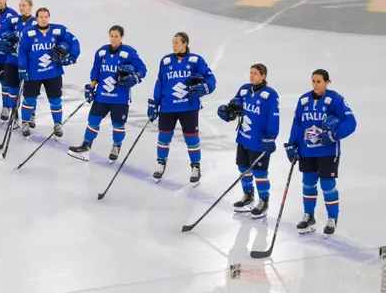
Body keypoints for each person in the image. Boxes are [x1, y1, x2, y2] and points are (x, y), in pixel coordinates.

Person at [284, 69, 356, 236]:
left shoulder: (335, 99)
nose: (316, 85)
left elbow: (351, 122)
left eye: (319, 81)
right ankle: (309, 216)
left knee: (327, 185)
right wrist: (292, 144)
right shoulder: (303, 100)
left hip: (327, 151)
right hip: (307, 150)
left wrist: (334, 134)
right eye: (313, 81)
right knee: (308, 183)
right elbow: (297, 123)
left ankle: (332, 218)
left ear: (326, 82)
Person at [68, 25, 147, 162]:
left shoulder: (129, 52)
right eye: (111, 36)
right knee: (93, 120)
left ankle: (116, 146)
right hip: (102, 96)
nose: (113, 39)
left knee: (118, 125)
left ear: (121, 37)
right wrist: (91, 87)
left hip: (120, 98)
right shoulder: (102, 52)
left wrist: (136, 76)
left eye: (116, 36)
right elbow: (96, 71)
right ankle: (86, 146)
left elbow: (142, 68)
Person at [147, 32, 216, 186]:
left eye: (177, 42)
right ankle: (161, 163)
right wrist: (155, 103)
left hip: (188, 107)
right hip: (167, 107)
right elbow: (160, 83)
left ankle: (195, 167)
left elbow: (211, 79)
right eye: (173, 42)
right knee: (163, 137)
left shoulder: (196, 60)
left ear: (185, 43)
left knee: (191, 138)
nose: (174, 45)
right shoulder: (165, 61)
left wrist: (205, 87)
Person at [217, 64, 280, 218]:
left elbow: (273, 117)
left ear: (263, 76)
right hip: (244, 137)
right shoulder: (245, 89)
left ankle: (264, 200)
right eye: (250, 73)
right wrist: (229, 111)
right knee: (242, 168)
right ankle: (248, 195)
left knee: (260, 172)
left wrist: (271, 136)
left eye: (255, 73)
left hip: (260, 141)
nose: (251, 76)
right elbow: (235, 103)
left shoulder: (270, 95)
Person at [17, 7, 80, 138]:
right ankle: (25, 123)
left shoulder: (58, 30)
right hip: (33, 73)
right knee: (29, 100)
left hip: (53, 73)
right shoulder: (28, 33)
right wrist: (22, 68)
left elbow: (73, 41)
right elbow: (22, 51)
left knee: (56, 100)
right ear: (37, 18)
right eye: (41, 17)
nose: (44, 19)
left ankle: (57, 123)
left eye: (46, 17)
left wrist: (72, 56)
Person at [0, 0, 35, 123]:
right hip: (13, 60)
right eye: (20, 5)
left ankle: (31, 114)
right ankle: (14, 111)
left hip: (29, 63)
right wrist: (7, 36)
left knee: (30, 93)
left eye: (24, 5)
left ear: (30, 7)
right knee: (12, 88)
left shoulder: (35, 23)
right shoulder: (14, 20)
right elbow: (2, 29)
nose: (21, 8)